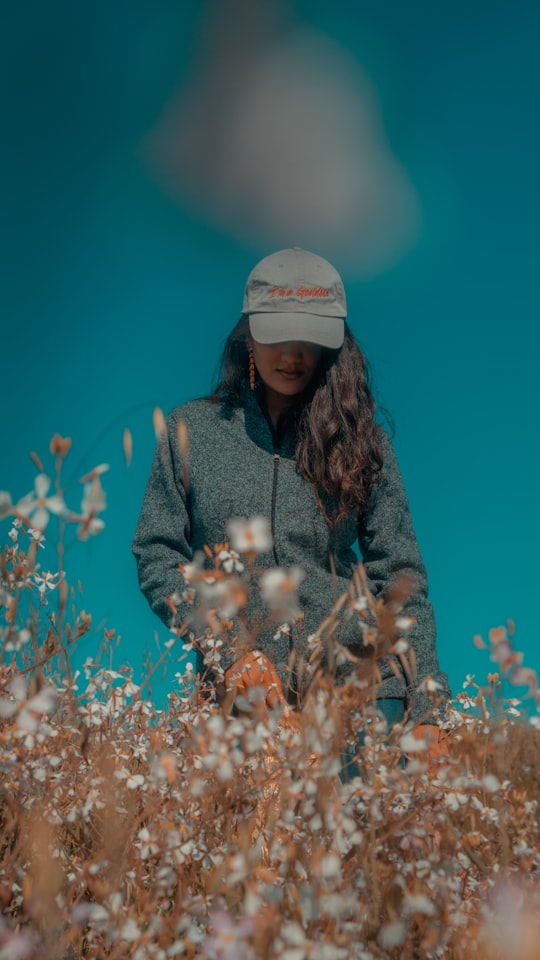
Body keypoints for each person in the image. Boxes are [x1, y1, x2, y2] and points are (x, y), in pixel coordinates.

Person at [132, 248, 450, 748]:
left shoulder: (364, 441)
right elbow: (157, 556)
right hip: (243, 700)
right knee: (250, 830)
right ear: (247, 334)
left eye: (309, 338)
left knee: (365, 829)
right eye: (277, 335)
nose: (292, 354)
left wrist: (431, 710)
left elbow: (401, 577)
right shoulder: (190, 432)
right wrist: (227, 649)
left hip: (365, 696)